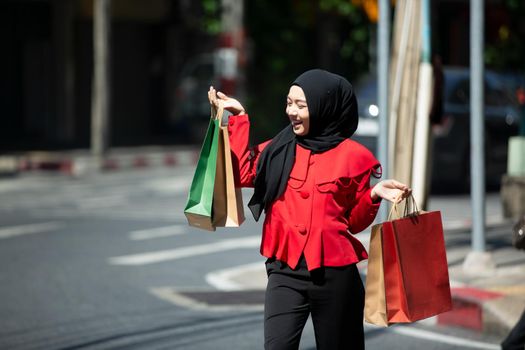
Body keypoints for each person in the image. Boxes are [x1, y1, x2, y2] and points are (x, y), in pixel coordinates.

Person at [208, 69, 411, 350]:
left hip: (336, 277)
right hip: (284, 273)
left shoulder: (354, 157)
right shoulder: (277, 148)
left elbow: (353, 222)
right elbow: (241, 173)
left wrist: (374, 195)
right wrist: (239, 119)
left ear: (323, 107)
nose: (292, 111)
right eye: (289, 103)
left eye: (301, 106)